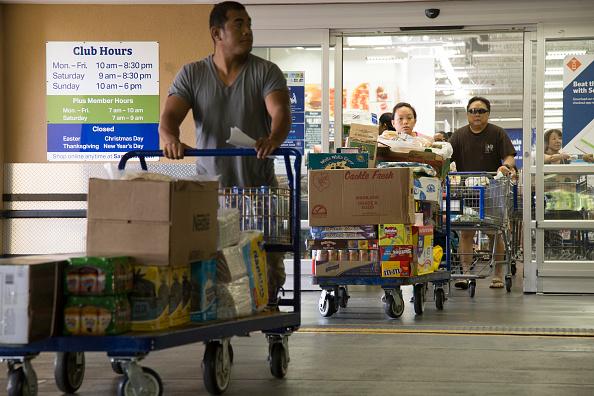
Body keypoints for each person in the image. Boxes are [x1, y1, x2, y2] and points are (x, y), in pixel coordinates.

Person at [159, 1, 291, 305]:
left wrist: (273, 137)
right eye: (238, 24)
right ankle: (218, 334)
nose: (247, 31)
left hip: (260, 192)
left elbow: (280, 112)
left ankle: (271, 322)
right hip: (212, 193)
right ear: (217, 33)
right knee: (214, 264)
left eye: (249, 24)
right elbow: (169, 118)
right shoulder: (192, 74)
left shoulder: (265, 71)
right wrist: (170, 138)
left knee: (267, 266)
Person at [449, 96, 517, 289]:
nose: (476, 114)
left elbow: (509, 157)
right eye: (472, 111)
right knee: (465, 233)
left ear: (488, 113)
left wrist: (505, 166)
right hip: (465, 191)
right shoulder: (459, 135)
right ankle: (465, 273)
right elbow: (447, 157)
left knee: (495, 233)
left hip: (493, 190)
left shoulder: (497, 133)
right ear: (467, 114)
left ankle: (497, 274)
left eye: (480, 111)